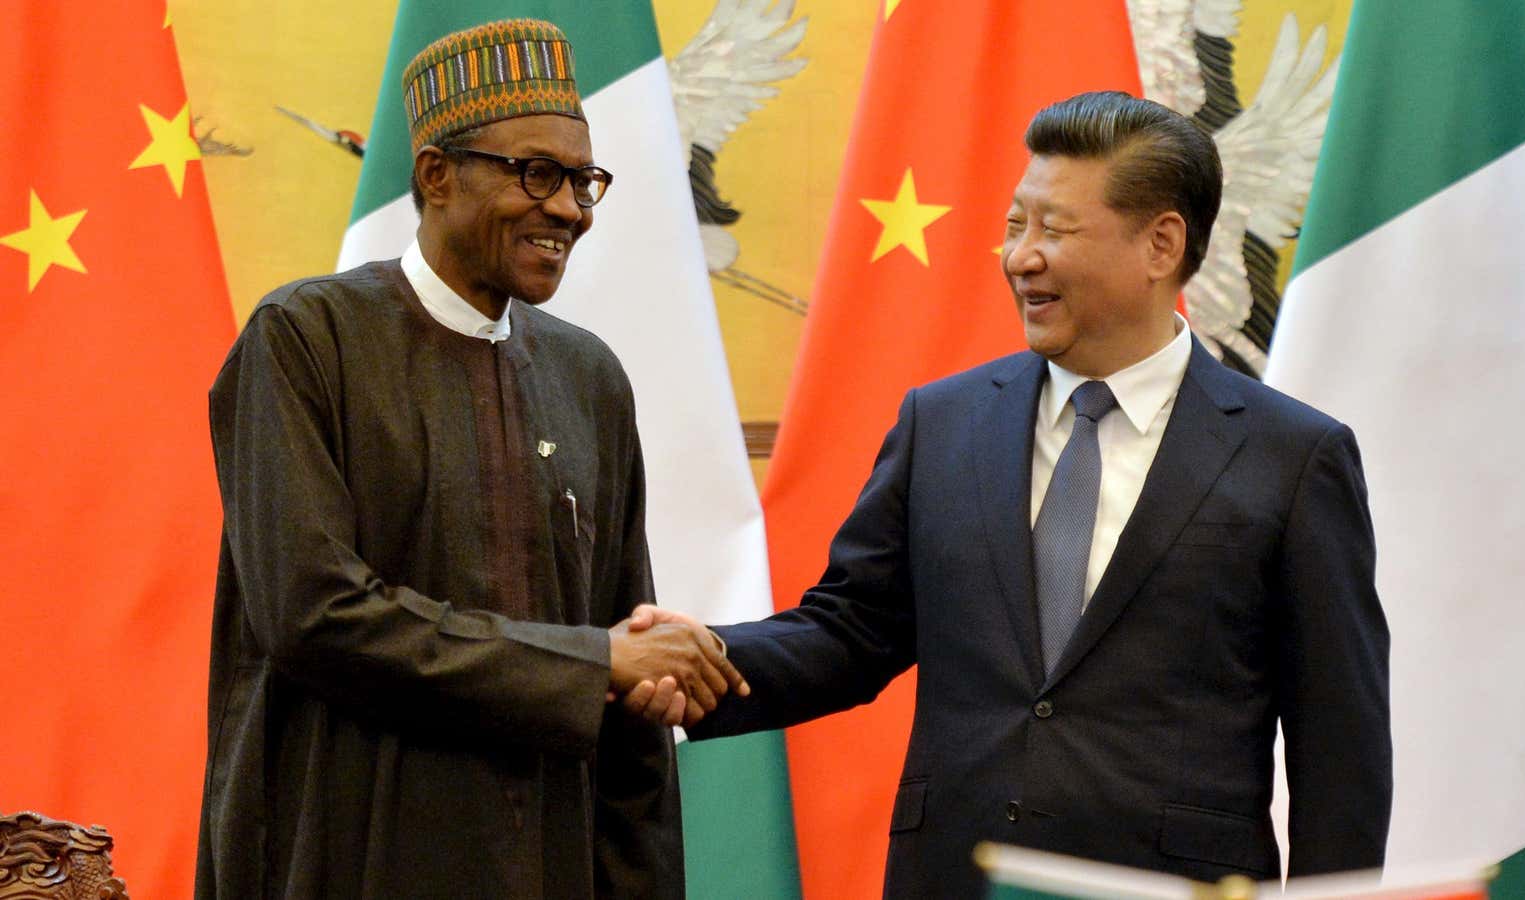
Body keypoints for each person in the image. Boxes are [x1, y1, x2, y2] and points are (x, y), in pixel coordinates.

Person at [626, 91, 1392, 897]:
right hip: (957, 876)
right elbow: (850, 632)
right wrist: (704, 658)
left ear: (1162, 243)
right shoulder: (943, 423)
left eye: (1053, 229)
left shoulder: (1293, 457)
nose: (1020, 256)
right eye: (1016, 224)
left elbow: (1340, 744)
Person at [197, 19, 741, 899]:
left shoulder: (588, 375)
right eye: (536, 173)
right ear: (436, 175)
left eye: (583, 181)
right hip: (350, 848)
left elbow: (624, 659)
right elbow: (315, 615)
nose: (568, 208)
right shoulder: (303, 339)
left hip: (550, 855)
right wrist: (592, 664)